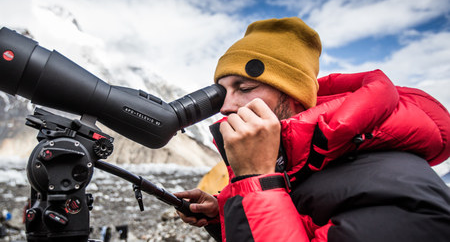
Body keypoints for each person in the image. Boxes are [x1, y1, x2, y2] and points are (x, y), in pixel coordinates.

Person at [175, 17, 450, 241]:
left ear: (294, 96)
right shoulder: (304, 163)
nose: (225, 107)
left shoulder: (403, 195)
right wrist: (225, 211)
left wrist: (256, 180)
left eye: (245, 88)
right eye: (221, 94)